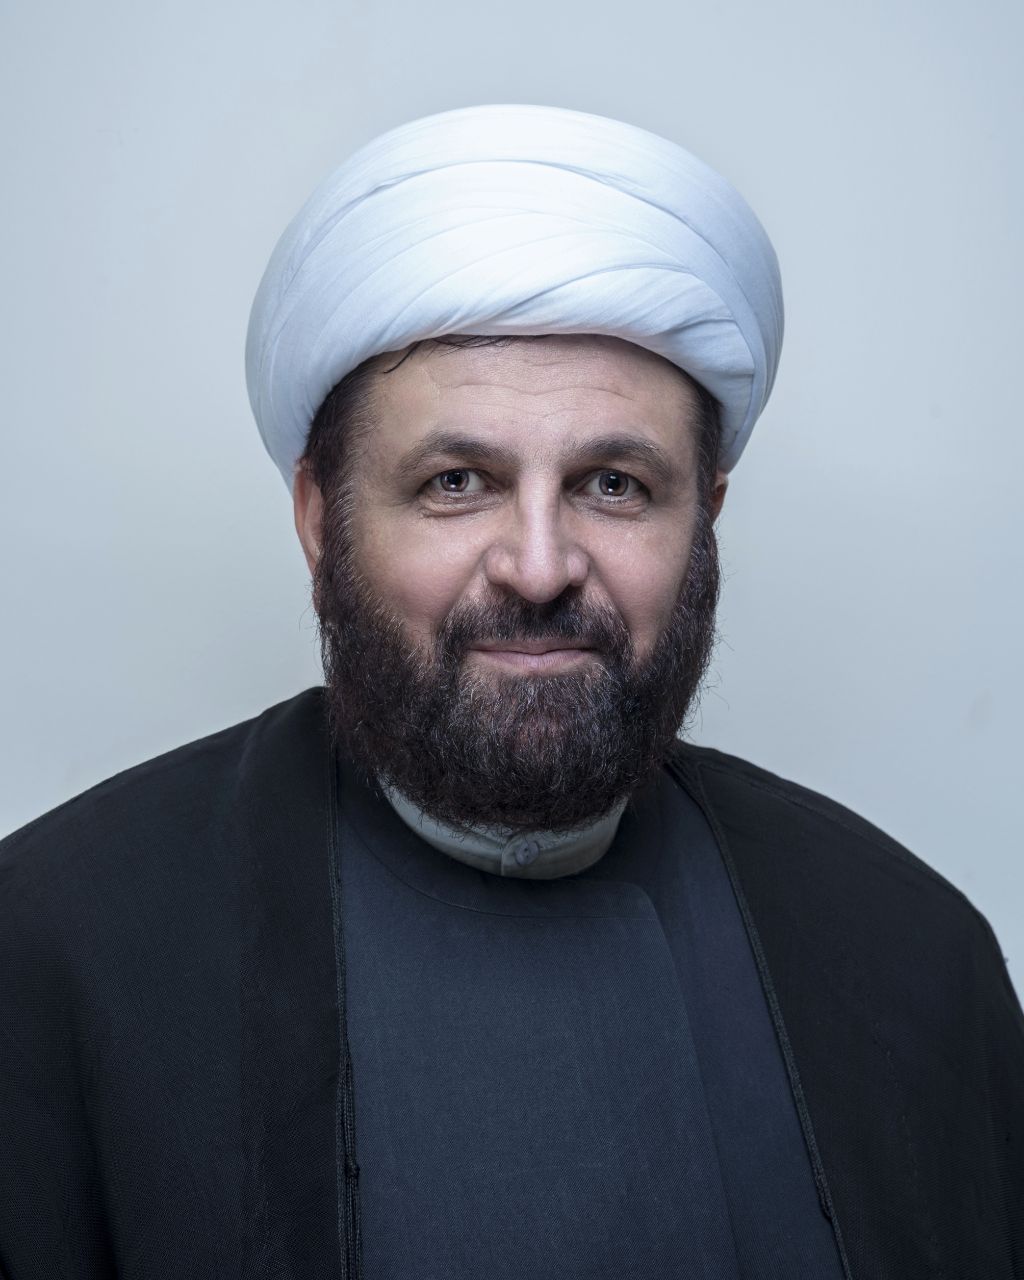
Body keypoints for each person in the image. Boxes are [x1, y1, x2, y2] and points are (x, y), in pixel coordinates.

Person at [0, 104, 1020, 1280]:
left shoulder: (910, 957)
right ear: (321, 518)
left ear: (704, 519)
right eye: (456, 481)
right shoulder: (55, 957)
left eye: (613, 483)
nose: (538, 568)